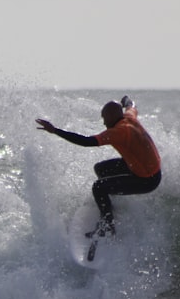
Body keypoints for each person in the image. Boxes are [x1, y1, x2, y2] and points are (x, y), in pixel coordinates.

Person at [36, 96, 161, 237]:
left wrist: (55, 131)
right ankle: (109, 204)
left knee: (98, 187)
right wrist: (126, 101)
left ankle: (108, 225)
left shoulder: (118, 132)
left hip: (147, 180)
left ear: (112, 116)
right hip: (146, 167)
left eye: (105, 118)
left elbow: (86, 141)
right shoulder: (129, 117)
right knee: (101, 169)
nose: (104, 123)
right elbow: (131, 105)